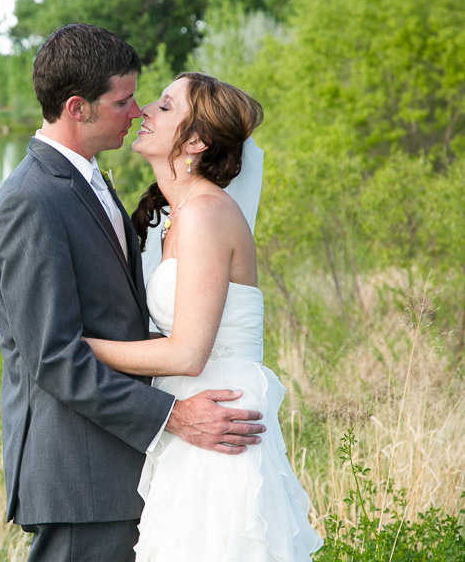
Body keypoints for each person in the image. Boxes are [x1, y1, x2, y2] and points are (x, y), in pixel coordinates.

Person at [0, 24, 267, 562]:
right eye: (124, 100)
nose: (138, 111)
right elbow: (55, 357)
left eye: (151, 102)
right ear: (77, 107)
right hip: (80, 472)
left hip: (132, 462)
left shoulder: (94, 181)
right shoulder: (31, 200)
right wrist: (171, 415)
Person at [83, 72, 323, 560]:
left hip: (219, 420)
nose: (145, 109)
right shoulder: (180, 214)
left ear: (195, 141)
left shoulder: (205, 215)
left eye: (165, 106)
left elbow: (189, 353)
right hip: (195, 417)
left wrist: (77, 347)